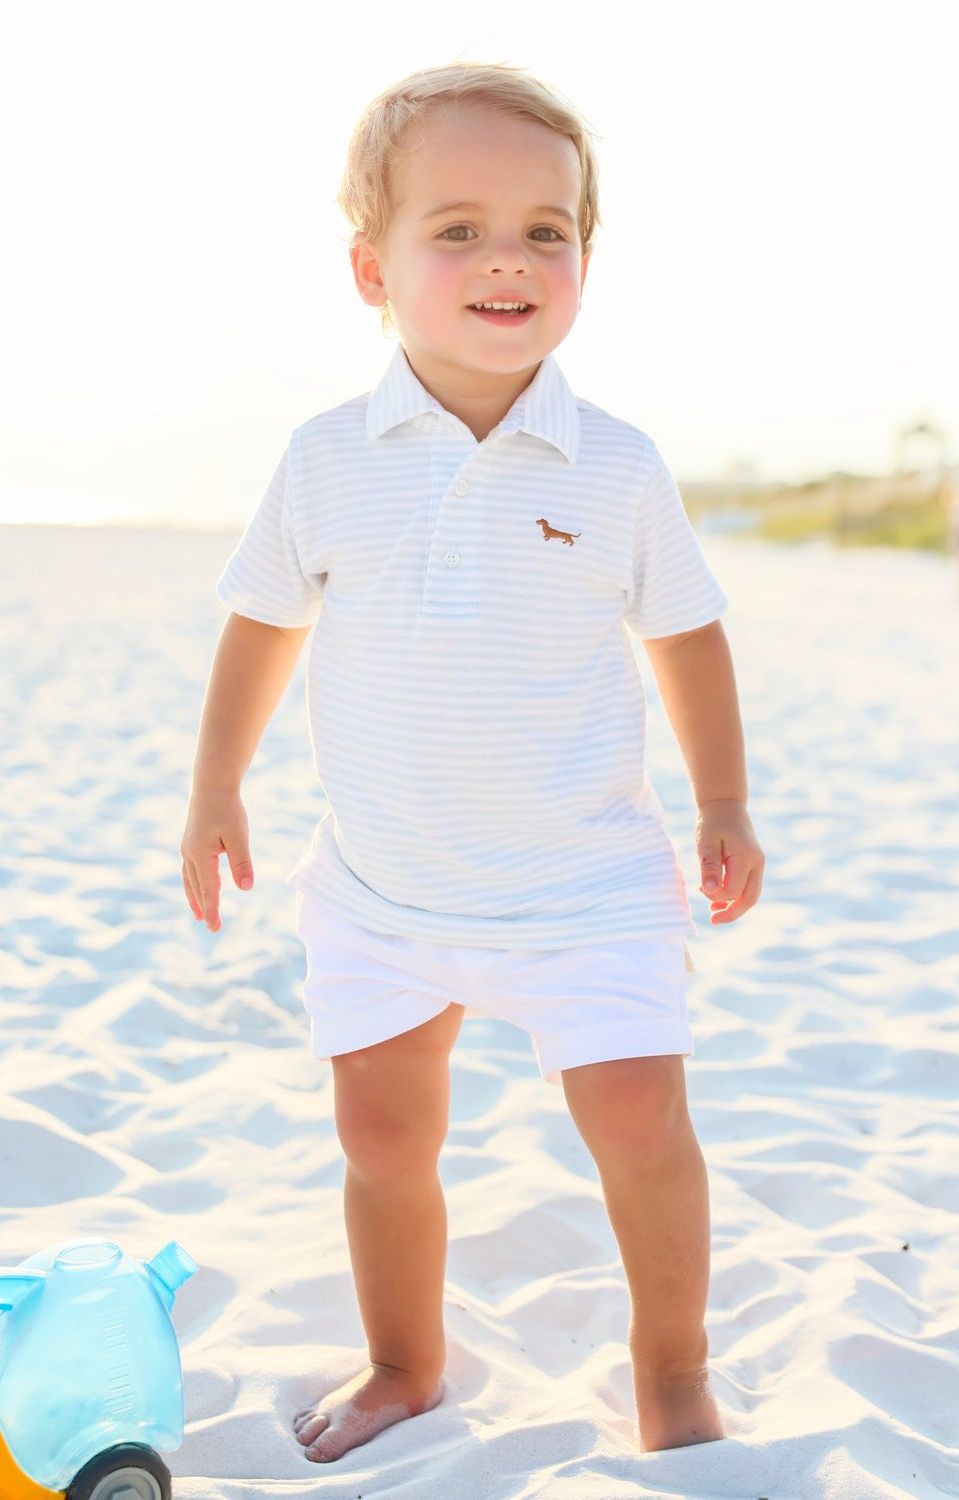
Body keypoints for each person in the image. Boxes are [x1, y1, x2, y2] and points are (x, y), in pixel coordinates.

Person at [180, 62, 764, 1466]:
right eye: (458, 229)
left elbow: (687, 639)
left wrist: (725, 799)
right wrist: (216, 785)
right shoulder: (328, 458)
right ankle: (403, 1362)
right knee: (382, 1135)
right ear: (370, 270)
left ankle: (672, 1374)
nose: (509, 256)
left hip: (585, 883)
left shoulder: (615, 464)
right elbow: (263, 623)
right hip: (386, 886)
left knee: (638, 1118)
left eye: (546, 229)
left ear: (583, 259)